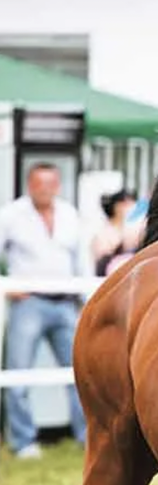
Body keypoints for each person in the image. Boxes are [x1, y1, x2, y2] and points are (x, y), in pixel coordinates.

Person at [0, 164, 89, 459]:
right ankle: (23, 442)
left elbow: (82, 259)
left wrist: (87, 297)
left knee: (82, 373)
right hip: (29, 303)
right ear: (29, 184)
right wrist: (7, 287)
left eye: (50, 183)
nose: (45, 189)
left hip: (66, 302)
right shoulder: (11, 215)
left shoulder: (69, 214)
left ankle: (88, 436)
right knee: (18, 374)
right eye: (39, 183)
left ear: (58, 185)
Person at [90, 189, 141, 276]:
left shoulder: (131, 230)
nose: (131, 206)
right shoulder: (103, 234)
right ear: (117, 206)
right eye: (126, 203)